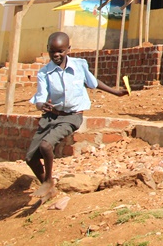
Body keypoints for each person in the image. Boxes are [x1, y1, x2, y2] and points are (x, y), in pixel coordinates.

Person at [27, 32, 128, 200]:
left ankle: (48, 181)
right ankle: (49, 188)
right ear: (48, 50)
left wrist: (116, 92)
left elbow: (93, 82)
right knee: (30, 157)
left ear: (68, 49)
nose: (56, 55)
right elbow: (40, 96)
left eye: (60, 51)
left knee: (46, 146)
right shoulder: (44, 73)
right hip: (51, 116)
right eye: (52, 51)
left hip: (72, 116)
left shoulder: (79, 66)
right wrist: (41, 104)